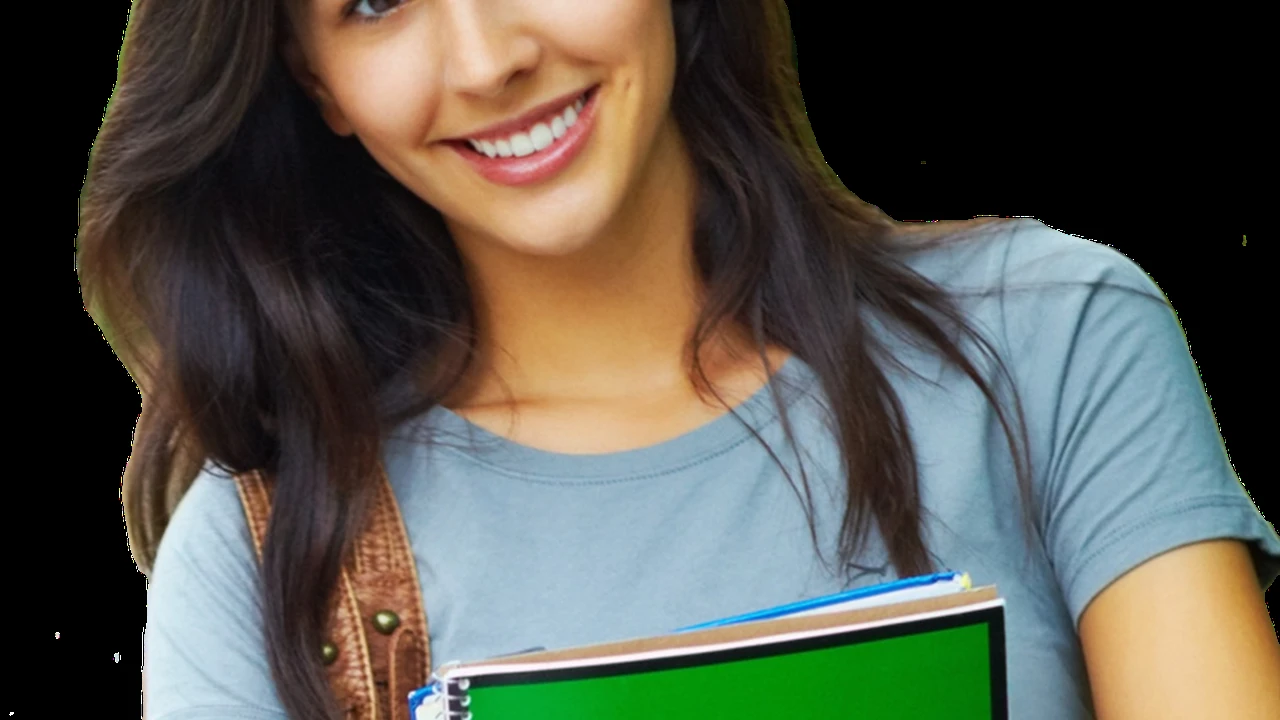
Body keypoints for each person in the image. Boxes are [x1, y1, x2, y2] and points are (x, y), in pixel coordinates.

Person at [77, 1, 1280, 719]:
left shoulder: (1051, 341)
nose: (488, 55)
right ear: (313, 80)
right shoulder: (265, 562)